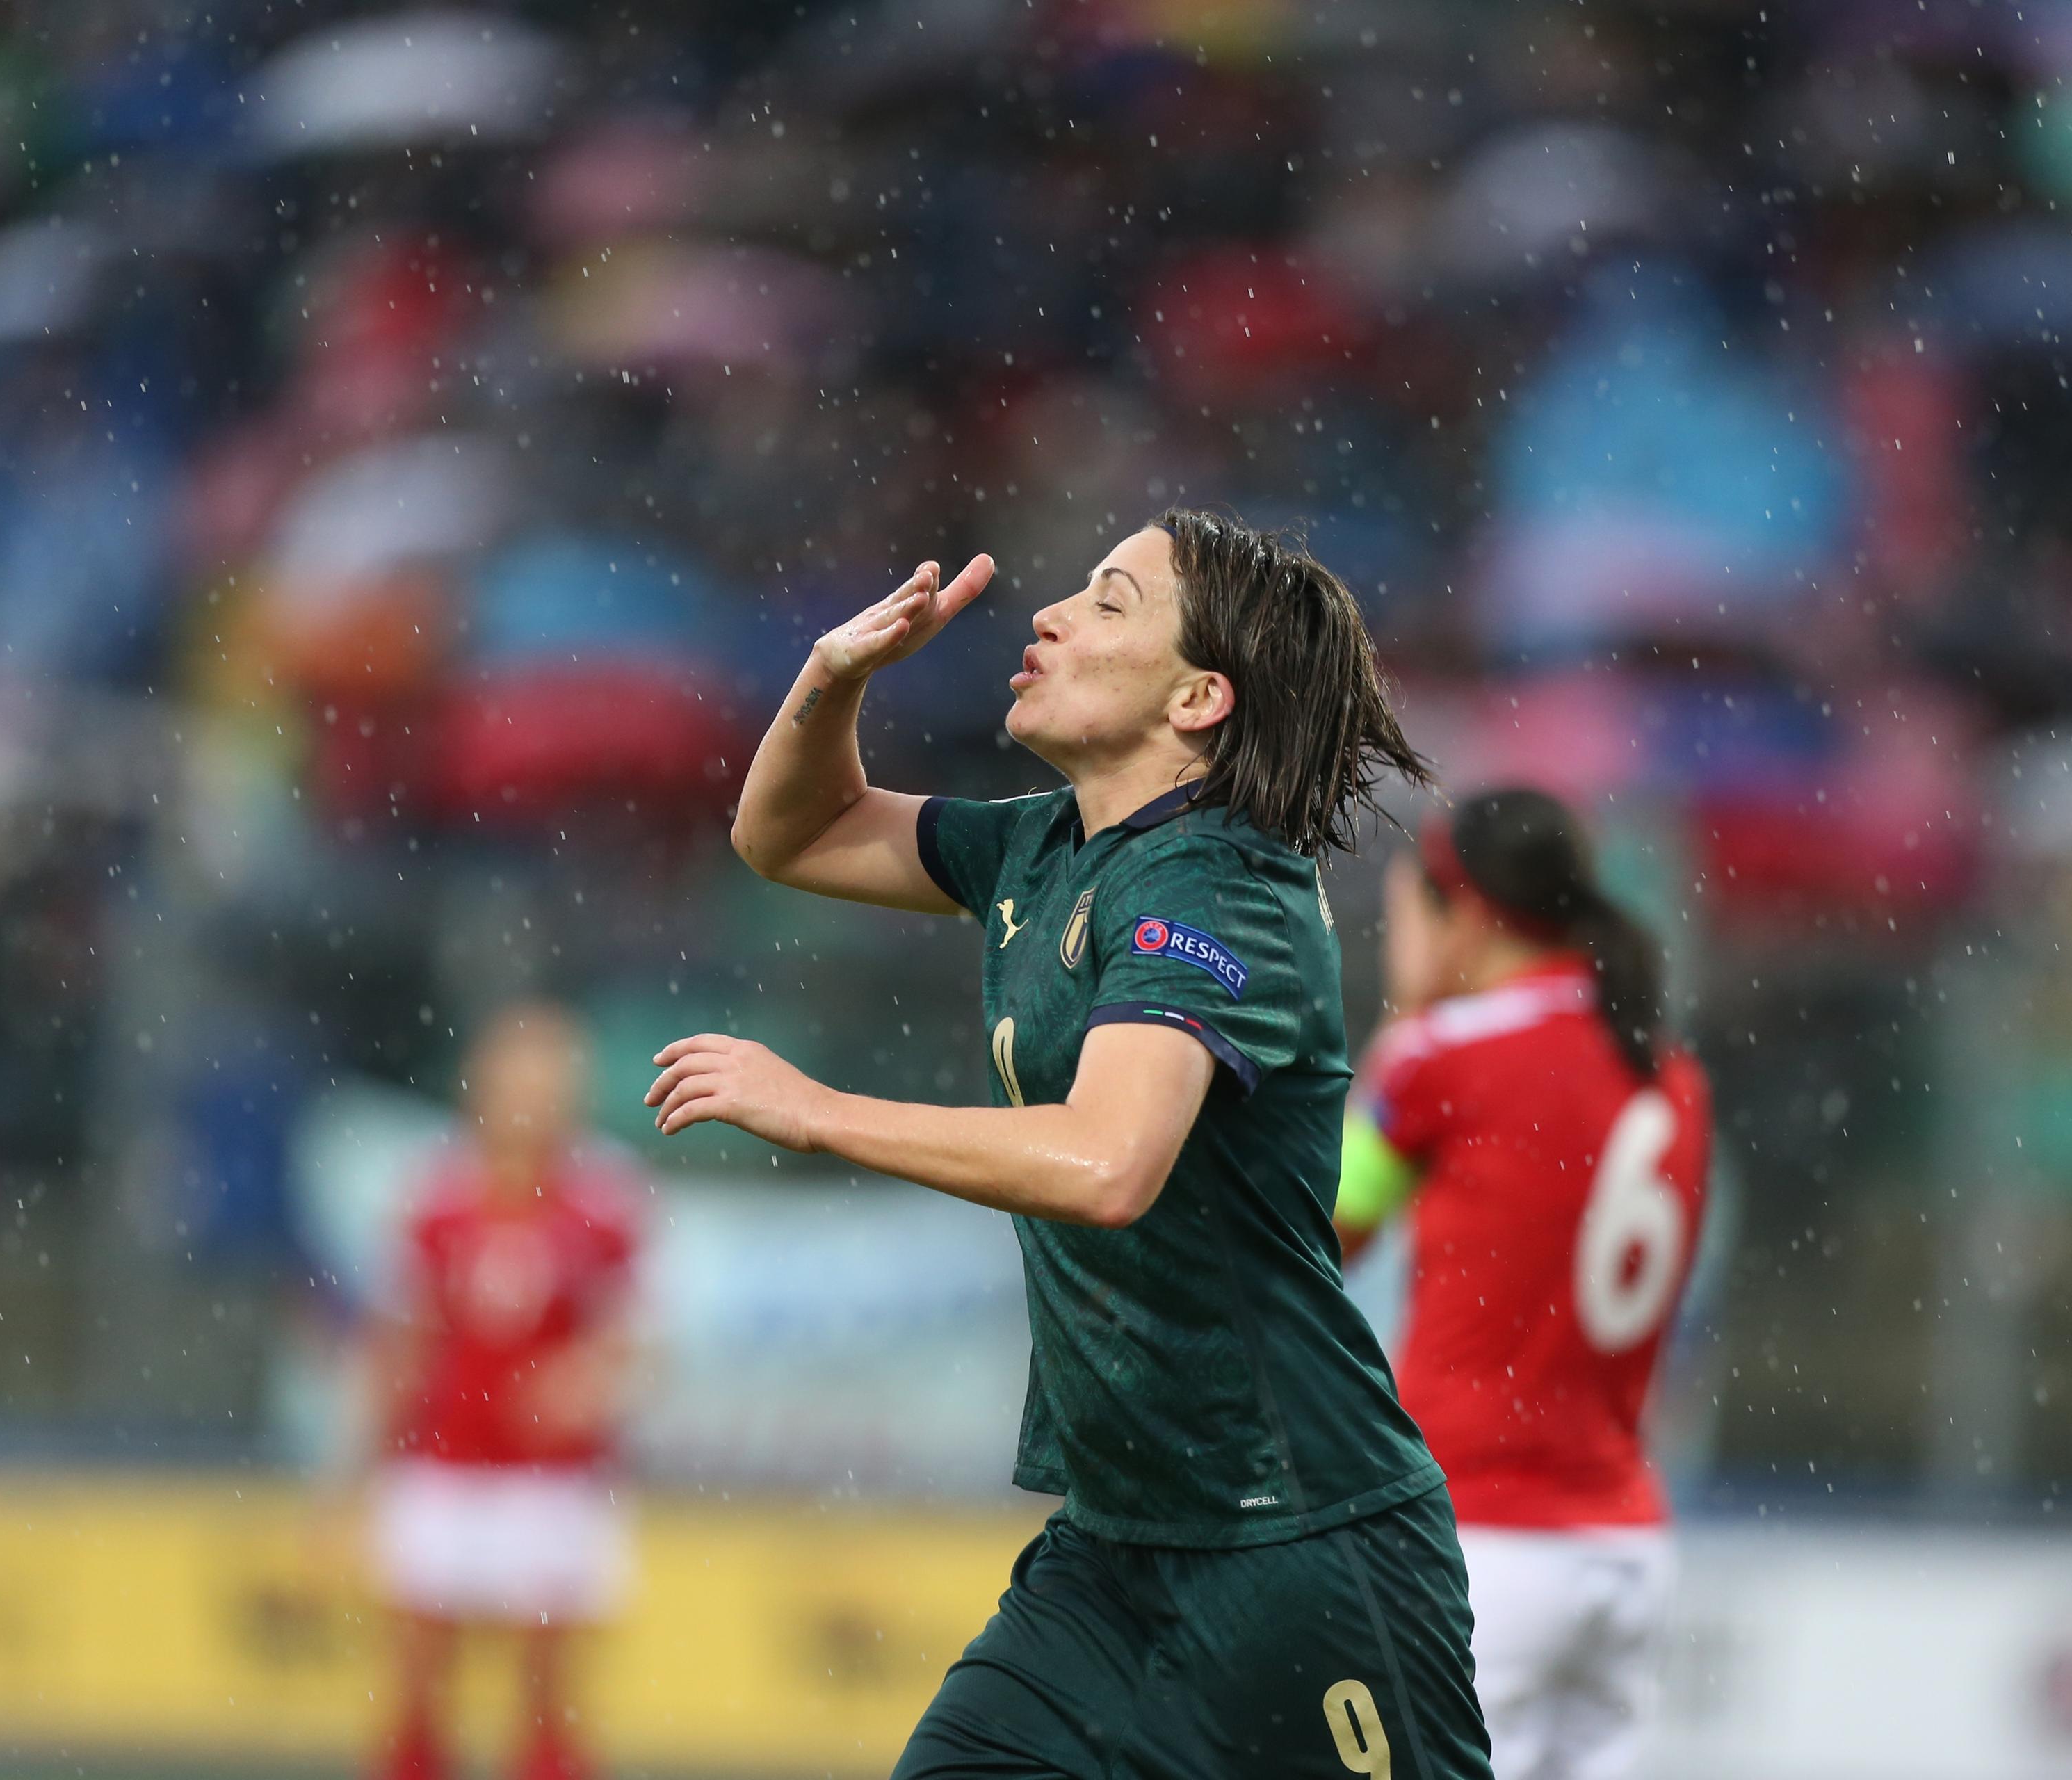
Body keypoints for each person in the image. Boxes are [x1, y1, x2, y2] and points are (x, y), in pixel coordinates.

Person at [643, 513, 1493, 1778]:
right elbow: (791, 835)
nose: (1048, 616)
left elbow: (1109, 1165)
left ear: (1201, 697)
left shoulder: (1220, 888)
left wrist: (813, 1109)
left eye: (1108, 603)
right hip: (1108, 1558)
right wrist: (833, 679)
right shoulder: (1041, 846)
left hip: (1299, 1549)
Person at [1334, 790, 1712, 1780]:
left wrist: (1401, 1021)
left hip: (1479, 1537)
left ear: (1462, 910)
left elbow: (1320, 1233)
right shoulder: (1669, 1072)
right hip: (1625, 1542)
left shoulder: (1439, 1058)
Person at [366, 1002, 645, 1780]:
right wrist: (359, 1467)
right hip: (446, 1464)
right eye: (516, 1076)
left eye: (548, 1079)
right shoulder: (437, 1192)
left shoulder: (605, 1197)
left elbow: (632, 1338)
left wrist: (585, 1381)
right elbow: (402, 1336)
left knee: (548, 1690)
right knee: (417, 1681)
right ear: (479, 1086)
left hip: (552, 1479)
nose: (531, 1097)